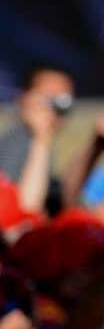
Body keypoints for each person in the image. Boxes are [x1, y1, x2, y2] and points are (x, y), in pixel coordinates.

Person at [0, 64, 74, 218]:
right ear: (24, 98)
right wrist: (41, 137)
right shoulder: (14, 143)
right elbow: (24, 209)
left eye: (62, 100)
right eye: (47, 97)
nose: (53, 109)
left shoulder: (40, 145)